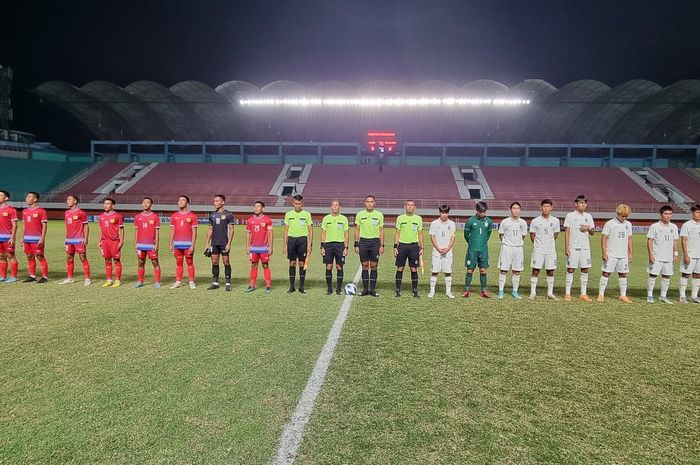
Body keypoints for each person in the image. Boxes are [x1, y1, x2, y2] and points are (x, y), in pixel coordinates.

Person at [597, 204, 633, 303]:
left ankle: (623, 295)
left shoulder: (628, 224)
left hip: (623, 254)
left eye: (626, 216)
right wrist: (604, 252)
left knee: (623, 274)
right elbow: (604, 238)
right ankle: (601, 294)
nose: (624, 218)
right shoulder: (609, 223)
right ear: (618, 213)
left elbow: (629, 239)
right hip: (611, 254)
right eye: (623, 216)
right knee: (606, 273)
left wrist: (630, 253)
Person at [563, 195, 595, 301]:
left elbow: (593, 233)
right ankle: (567, 293)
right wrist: (567, 247)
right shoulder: (570, 216)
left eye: (585, 203)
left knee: (585, 269)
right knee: (571, 269)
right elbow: (566, 232)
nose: (583, 205)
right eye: (581, 203)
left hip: (585, 248)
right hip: (573, 247)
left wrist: (588, 228)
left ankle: (583, 293)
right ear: (576, 204)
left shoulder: (589, 216)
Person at [646, 205, 679, 304]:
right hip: (657, 256)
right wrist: (651, 254)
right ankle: (650, 295)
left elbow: (675, 241)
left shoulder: (674, 227)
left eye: (670, 214)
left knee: (667, 276)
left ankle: (663, 296)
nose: (668, 216)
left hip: (668, 257)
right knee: (653, 276)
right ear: (661, 214)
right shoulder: (654, 226)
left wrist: (675, 254)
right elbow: (650, 241)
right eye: (666, 214)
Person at [529, 199, 560, 300]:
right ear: (541, 207)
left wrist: (548, 243)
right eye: (544, 206)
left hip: (550, 250)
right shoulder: (535, 221)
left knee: (550, 271)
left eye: (548, 206)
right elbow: (532, 235)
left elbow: (555, 234)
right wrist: (538, 244)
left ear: (551, 208)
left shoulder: (555, 221)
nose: (546, 208)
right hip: (538, 250)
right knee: (535, 270)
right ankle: (533, 292)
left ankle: (550, 293)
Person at [354, 195, 384, 296]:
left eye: (371, 202)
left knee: (374, 266)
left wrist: (382, 245)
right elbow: (357, 229)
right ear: (365, 203)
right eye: (368, 201)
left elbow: (381, 230)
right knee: (365, 266)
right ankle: (365, 289)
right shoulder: (359, 214)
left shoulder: (379, 214)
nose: (370, 203)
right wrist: (356, 244)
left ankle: (373, 289)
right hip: (363, 242)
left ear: (374, 203)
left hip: (375, 242)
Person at [497, 201, 528, 299]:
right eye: (514, 208)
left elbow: (523, 236)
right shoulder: (505, 222)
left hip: (518, 249)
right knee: (503, 270)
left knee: (517, 271)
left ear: (520, 210)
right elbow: (501, 234)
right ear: (510, 210)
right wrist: (507, 243)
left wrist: (517, 244)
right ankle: (501, 291)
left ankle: (515, 291)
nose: (516, 210)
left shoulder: (523, 223)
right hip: (506, 248)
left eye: (518, 208)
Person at [283, 194, 313, 293]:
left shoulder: (307, 214)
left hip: (302, 240)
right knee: (292, 263)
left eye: (299, 204)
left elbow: (310, 230)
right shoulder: (288, 214)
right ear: (293, 203)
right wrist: (285, 245)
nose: (297, 206)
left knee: (302, 263)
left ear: (302, 203)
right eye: (296, 204)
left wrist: (309, 244)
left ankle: (301, 286)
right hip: (291, 240)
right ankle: (292, 286)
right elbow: (286, 231)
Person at [394, 199, 424, 298]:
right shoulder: (400, 218)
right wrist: (395, 246)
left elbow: (420, 234)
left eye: (412, 205)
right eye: (408, 205)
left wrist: (422, 247)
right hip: (402, 245)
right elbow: (397, 233)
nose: (410, 207)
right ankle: (397, 290)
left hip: (414, 246)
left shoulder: (418, 218)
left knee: (413, 269)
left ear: (415, 207)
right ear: (405, 207)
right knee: (400, 268)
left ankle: (415, 290)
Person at [59, 194, 91, 285]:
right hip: (69, 240)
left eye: (69, 199)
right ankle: (70, 278)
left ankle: (87, 279)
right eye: (67, 199)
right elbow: (68, 227)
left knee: (83, 258)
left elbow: (86, 225)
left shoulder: (81, 212)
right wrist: (66, 238)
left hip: (79, 239)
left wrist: (86, 238)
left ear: (75, 201)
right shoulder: (66, 213)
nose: (67, 201)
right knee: (69, 258)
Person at [463, 201, 492, 298]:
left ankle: (484, 290)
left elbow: (488, 235)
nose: (482, 214)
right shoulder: (470, 221)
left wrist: (482, 243)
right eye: (480, 212)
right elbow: (466, 236)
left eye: (484, 212)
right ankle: (467, 290)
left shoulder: (489, 221)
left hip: (483, 250)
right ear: (477, 211)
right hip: (472, 250)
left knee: (483, 271)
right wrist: (472, 243)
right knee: (470, 270)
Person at [205, 194, 235, 291]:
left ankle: (227, 283)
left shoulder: (229, 214)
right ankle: (215, 283)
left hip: (224, 242)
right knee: (214, 261)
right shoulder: (212, 215)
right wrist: (207, 243)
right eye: (214, 201)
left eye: (217, 201)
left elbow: (231, 229)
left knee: (226, 261)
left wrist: (229, 243)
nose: (215, 203)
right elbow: (210, 229)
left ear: (223, 202)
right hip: (214, 243)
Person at [320, 199, 349, 295]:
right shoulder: (326, 219)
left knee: (339, 267)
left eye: (337, 205)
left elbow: (346, 234)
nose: (335, 207)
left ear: (340, 207)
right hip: (328, 245)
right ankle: (329, 288)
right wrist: (322, 246)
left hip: (340, 245)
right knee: (329, 266)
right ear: (331, 206)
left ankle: (339, 289)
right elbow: (323, 233)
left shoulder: (344, 219)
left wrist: (346, 247)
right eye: (333, 205)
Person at [170, 195, 198, 289]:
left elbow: (194, 231)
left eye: (183, 200)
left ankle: (191, 281)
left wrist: (192, 245)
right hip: (177, 244)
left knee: (190, 262)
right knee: (179, 263)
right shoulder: (174, 216)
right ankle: (178, 281)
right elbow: (172, 230)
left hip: (188, 244)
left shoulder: (192, 215)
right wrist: (171, 243)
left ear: (187, 203)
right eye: (179, 200)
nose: (180, 202)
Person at [428, 204, 456, 298]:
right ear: (439, 212)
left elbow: (452, 237)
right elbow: (432, 237)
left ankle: (448, 291)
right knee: (434, 271)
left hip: (448, 252)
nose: (444, 215)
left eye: (446, 213)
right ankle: (432, 291)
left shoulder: (452, 224)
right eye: (443, 212)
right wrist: (438, 248)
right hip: (437, 251)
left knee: (448, 271)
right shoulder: (434, 223)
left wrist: (447, 248)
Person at [245, 201, 273, 293]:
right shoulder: (250, 220)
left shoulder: (267, 219)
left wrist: (270, 247)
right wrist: (247, 247)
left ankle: (268, 286)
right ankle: (251, 285)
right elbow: (248, 234)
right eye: (255, 206)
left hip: (264, 248)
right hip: (253, 248)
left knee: (265, 265)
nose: (256, 208)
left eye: (258, 206)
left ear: (263, 208)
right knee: (253, 265)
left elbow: (270, 234)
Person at [133, 197, 161, 289]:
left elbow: (157, 232)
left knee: (155, 263)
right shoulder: (137, 217)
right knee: (140, 263)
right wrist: (135, 243)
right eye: (144, 202)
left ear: (151, 205)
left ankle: (157, 282)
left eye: (147, 202)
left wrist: (156, 244)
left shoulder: (155, 217)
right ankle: (140, 281)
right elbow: (136, 231)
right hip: (140, 245)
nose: (145, 204)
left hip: (151, 245)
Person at [21, 192, 49, 283]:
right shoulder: (25, 211)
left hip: (37, 239)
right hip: (27, 239)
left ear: (35, 199)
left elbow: (44, 225)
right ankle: (32, 276)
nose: (27, 198)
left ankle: (45, 277)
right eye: (27, 196)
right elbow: (24, 226)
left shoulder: (41, 211)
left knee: (40, 256)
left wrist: (42, 237)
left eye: (29, 197)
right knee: (29, 256)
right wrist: (22, 238)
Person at [98, 197, 125, 287]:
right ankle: (109, 280)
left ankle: (117, 280)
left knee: (116, 260)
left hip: (114, 241)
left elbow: (121, 229)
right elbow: (101, 229)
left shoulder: (118, 216)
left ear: (113, 205)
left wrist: (121, 241)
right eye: (105, 203)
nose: (106, 205)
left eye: (108, 203)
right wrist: (100, 240)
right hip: (105, 241)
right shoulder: (101, 216)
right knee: (107, 260)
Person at [679, 204, 700, 303]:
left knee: (697, 275)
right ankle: (682, 296)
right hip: (690, 254)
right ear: (692, 213)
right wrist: (686, 254)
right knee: (686, 274)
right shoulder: (687, 225)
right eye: (697, 212)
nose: (699, 214)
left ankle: (694, 296)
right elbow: (683, 240)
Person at [0, 190, 19, 283]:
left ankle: (14, 276)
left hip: (7, 237)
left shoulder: (11, 210)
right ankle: (3, 276)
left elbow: (15, 225)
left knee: (10, 255)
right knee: (1, 256)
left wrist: (12, 237)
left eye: (0, 195)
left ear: (6, 198)